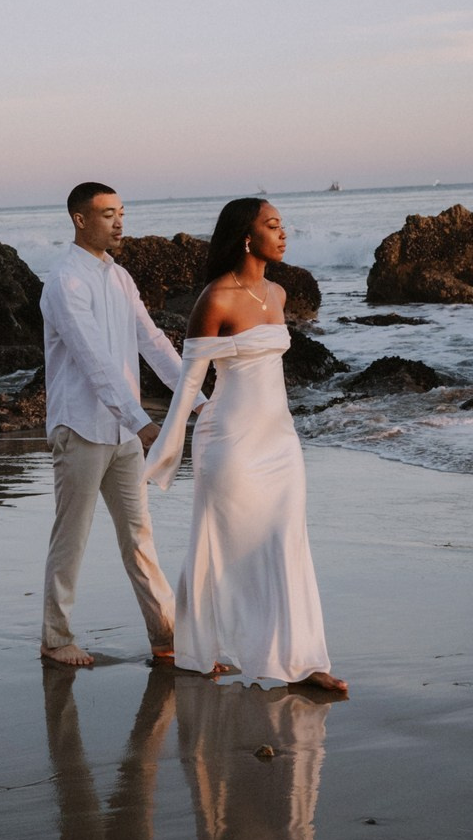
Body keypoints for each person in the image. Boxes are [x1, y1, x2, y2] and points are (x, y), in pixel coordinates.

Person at [144, 198, 347, 695]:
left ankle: (304, 660)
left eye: (283, 225)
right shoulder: (216, 298)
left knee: (286, 542)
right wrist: (170, 443)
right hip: (230, 442)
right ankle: (205, 646)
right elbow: (190, 382)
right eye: (273, 225)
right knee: (220, 545)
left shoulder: (277, 292)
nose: (284, 233)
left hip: (280, 441)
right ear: (246, 236)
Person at [40, 181, 182, 669]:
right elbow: (93, 360)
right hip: (80, 428)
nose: (119, 223)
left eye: (121, 212)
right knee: (72, 536)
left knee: (140, 537)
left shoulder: (119, 277)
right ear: (80, 220)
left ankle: (167, 637)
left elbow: (154, 340)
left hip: (122, 433)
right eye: (107, 214)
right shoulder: (64, 281)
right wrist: (142, 421)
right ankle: (56, 639)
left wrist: (196, 400)